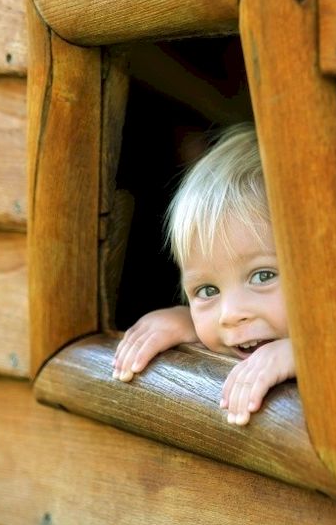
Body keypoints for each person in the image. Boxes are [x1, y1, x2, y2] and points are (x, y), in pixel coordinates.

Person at [112, 123, 294, 425]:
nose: (230, 315)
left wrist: (311, 358)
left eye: (262, 276)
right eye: (208, 291)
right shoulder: (234, 328)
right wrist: (191, 327)